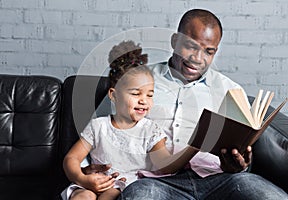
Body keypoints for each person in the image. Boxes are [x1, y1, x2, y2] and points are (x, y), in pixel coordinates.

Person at [86, 9, 288, 199]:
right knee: (141, 194)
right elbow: (98, 129)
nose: (197, 59)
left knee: (265, 193)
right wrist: (86, 168)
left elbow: (241, 151)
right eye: (191, 46)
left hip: (219, 179)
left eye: (208, 52)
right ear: (175, 41)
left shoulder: (230, 90)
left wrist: (240, 165)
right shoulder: (136, 80)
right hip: (156, 180)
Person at [61, 40, 200, 200]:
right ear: (113, 95)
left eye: (150, 95)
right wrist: (82, 179)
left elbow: (165, 164)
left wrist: (193, 147)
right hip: (92, 180)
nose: (144, 101)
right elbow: (72, 158)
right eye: (136, 94)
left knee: (110, 196)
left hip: (125, 187)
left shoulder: (151, 131)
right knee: (82, 196)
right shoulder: (98, 126)